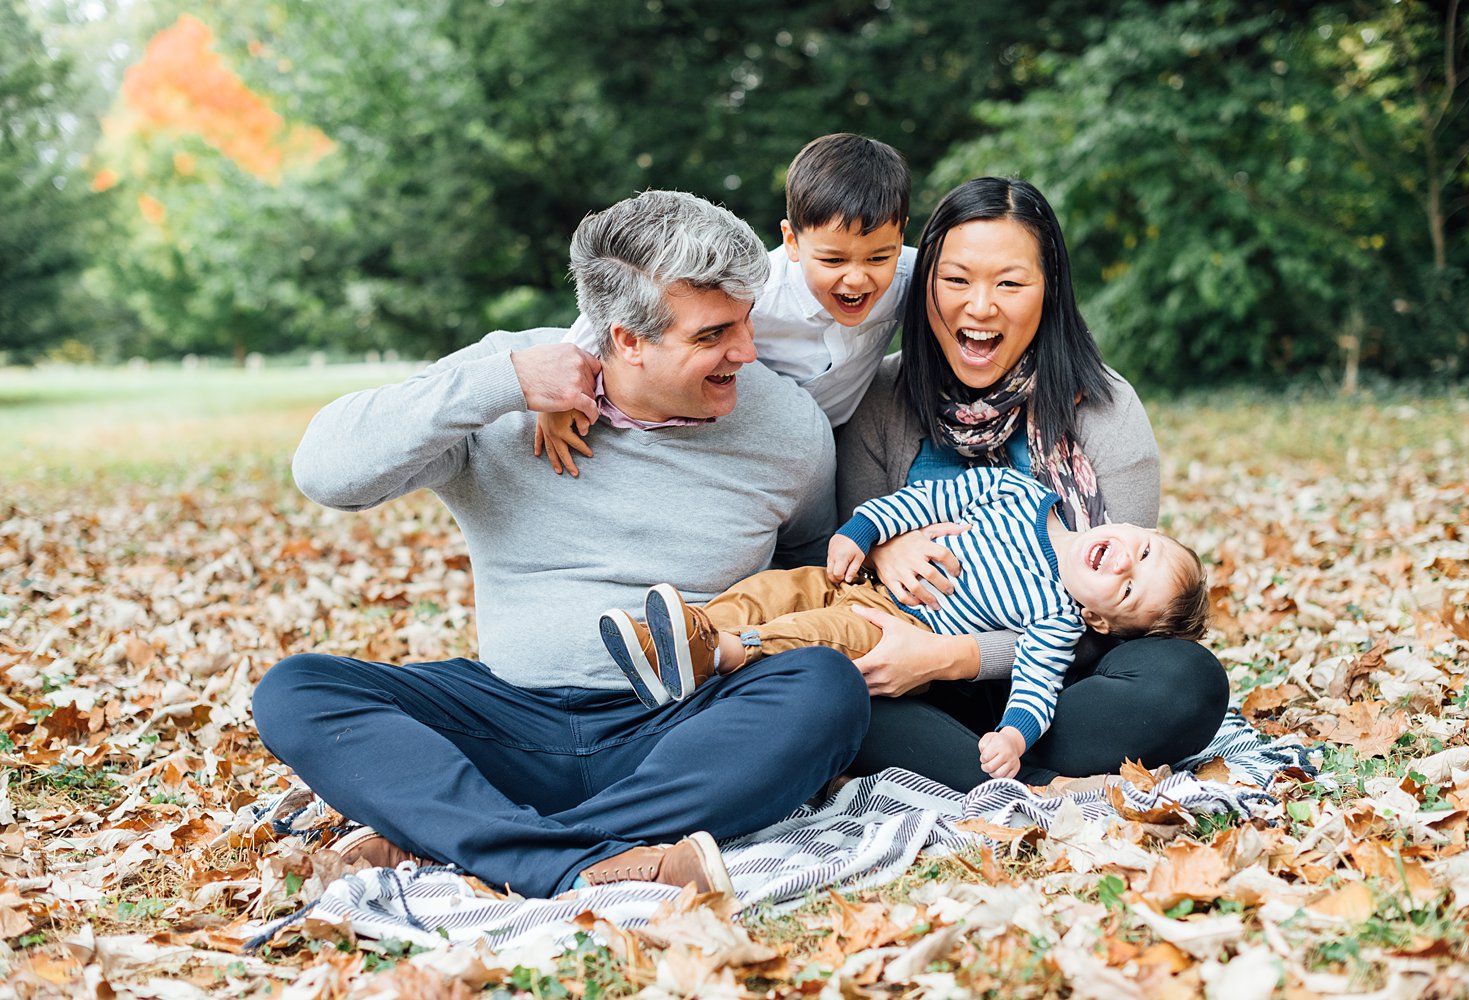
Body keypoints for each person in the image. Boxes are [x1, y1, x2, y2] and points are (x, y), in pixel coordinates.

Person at [250, 190, 871, 900]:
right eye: (712, 336)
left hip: (680, 733)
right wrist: (504, 382)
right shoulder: (510, 384)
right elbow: (325, 472)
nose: (747, 351)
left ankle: (489, 841)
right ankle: (586, 856)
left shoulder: (788, 427)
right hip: (506, 722)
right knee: (297, 690)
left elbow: (806, 572)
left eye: (745, 321)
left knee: (825, 686)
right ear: (626, 340)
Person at [833, 176, 1231, 790]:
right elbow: (843, 558)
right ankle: (1028, 782)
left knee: (1187, 681)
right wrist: (884, 550)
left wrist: (955, 657)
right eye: (957, 280)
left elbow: (1109, 623)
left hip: (1050, 688)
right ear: (925, 286)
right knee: (830, 689)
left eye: (1011, 283)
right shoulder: (881, 400)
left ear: (1049, 291)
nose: (981, 306)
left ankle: (991, 769)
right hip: (906, 675)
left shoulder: (1103, 408)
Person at [599, 466, 1208, 780]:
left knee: (825, 636)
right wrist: (863, 532)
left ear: (1099, 620)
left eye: (1127, 590)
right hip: (862, 580)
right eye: (1145, 551)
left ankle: (725, 651)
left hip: (896, 634)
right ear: (1138, 529)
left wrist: (1014, 739)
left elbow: (1037, 687)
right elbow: (925, 502)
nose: (1124, 562)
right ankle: (678, 635)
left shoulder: (1054, 617)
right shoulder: (1021, 492)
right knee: (776, 588)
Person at [535, 133, 916, 475]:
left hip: (838, 440)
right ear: (792, 242)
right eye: (833, 260)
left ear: (900, 239)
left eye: (879, 259)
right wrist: (558, 398)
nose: (856, 278)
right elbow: (607, 311)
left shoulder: (913, 276)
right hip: (748, 440)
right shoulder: (753, 289)